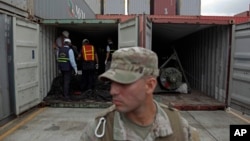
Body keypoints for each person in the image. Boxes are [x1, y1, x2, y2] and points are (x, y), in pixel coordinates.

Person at [79, 47, 200, 141]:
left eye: (123, 83)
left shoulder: (179, 128)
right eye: (112, 82)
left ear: (150, 85)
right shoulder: (99, 131)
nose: (112, 91)